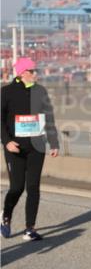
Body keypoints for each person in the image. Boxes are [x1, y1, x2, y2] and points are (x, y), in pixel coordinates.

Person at [1, 57, 60, 240]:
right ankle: (6, 216)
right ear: (22, 73)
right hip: (15, 148)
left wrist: (54, 142)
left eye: (35, 71)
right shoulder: (6, 92)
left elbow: (49, 118)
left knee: (33, 187)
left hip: (37, 146)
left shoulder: (40, 91)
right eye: (32, 71)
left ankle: (30, 229)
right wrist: (7, 142)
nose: (35, 74)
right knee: (17, 187)